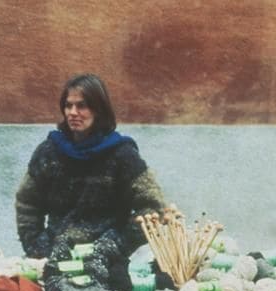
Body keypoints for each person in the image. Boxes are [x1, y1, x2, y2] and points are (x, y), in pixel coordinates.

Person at [15, 73, 165, 261]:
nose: (73, 112)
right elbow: (27, 202)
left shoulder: (122, 155)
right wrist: (37, 247)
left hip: (108, 260)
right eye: (68, 105)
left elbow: (153, 207)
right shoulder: (49, 152)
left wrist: (116, 246)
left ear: (98, 110)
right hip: (55, 255)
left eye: (82, 106)